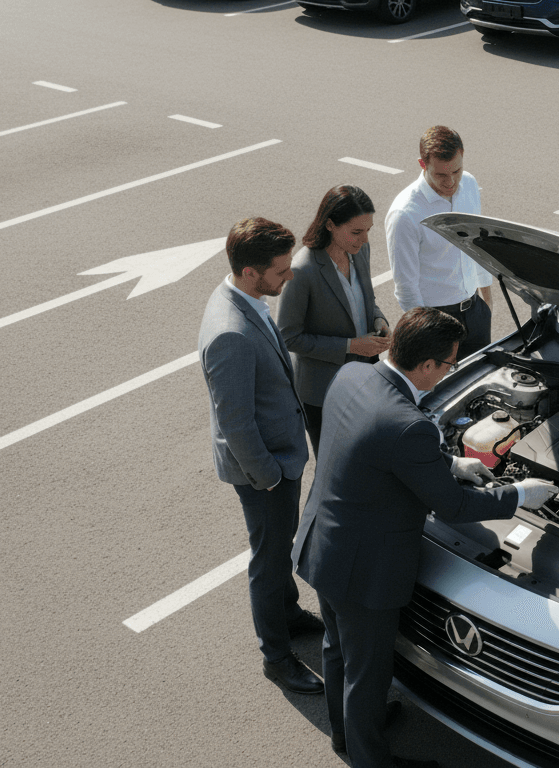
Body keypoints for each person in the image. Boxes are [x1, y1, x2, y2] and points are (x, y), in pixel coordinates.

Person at [292, 307, 557, 766]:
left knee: (337, 650)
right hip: (364, 573)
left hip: (323, 544)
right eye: (451, 364)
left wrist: (450, 465)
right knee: (367, 673)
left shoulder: (354, 375)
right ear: (428, 365)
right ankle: (369, 759)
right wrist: (519, 495)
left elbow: (373, 446)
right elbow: (454, 507)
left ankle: (347, 734)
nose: (451, 371)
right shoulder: (408, 424)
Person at [198, 217, 325, 696]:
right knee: (270, 561)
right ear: (251, 272)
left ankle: (288, 614)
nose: (288, 277)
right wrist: (269, 476)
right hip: (265, 470)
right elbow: (235, 422)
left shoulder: (241, 296)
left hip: (276, 458)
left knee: (279, 547)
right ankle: (276, 656)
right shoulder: (230, 332)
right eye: (280, 271)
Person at [276, 185, 391, 457]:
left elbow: (366, 299)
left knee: (369, 456)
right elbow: (288, 336)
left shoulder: (360, 250)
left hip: (365, 377)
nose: (364, 239)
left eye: (368, 230)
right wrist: (351, 346)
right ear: (329, 224)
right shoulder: (303, 270)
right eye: (356, 232)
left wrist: (379, 321)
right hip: (323, 392)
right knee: (335, 464)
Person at [385, 125, 494, 359]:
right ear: (422, 164)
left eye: (457, 171)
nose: (451, 182)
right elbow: (406, 288)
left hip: (475, 311)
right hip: (437, 321)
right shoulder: (405, 214)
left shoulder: (470, 185)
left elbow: (476, 246)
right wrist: (427, 334)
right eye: (441, 175)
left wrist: (487, 305)